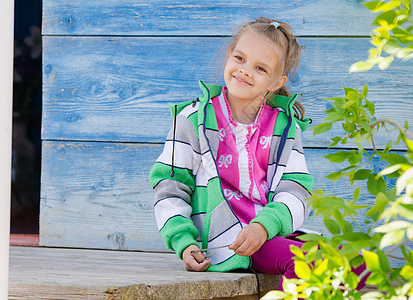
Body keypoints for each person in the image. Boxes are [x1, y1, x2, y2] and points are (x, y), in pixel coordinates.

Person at [150, 17, 367, 290]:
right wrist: (184, 242)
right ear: (229, 56)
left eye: (260, 68)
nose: (244, 71)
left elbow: (296, 188)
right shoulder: (193, 120)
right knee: (307, 263)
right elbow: (171, 189)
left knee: (357, 260)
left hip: (267, 232)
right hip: (227, 242)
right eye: (239, 58)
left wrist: (264, 226)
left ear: (277, 81)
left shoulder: (283, 126)